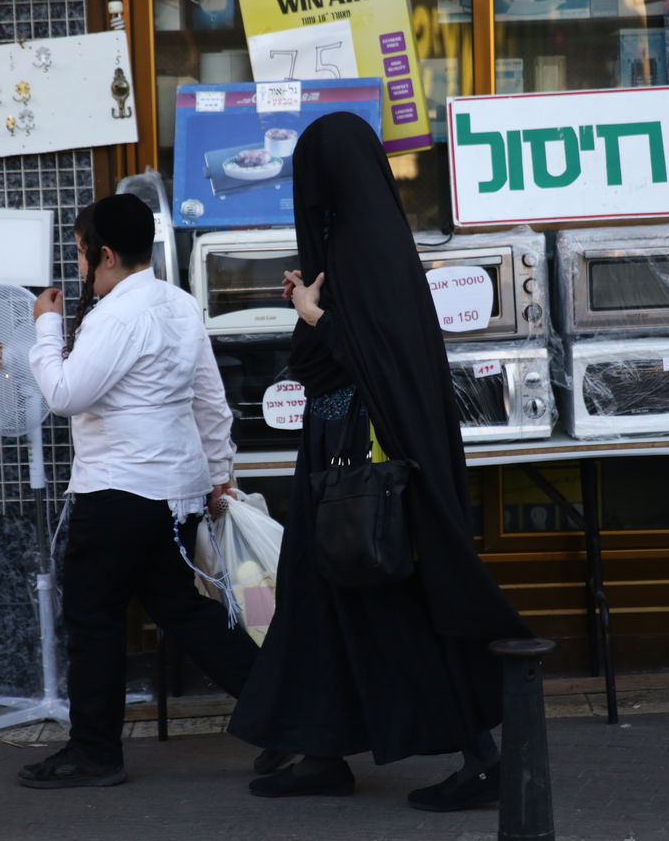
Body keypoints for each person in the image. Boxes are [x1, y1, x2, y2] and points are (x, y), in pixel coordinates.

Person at [228, 112, 534, 811]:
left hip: (365, 474)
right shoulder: (362, 239)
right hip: (338, 469)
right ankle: (321, 749)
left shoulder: (365, 246)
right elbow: (340, 356)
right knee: (320, 603)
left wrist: (311, 312)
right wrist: (312, 307)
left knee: (397, 605)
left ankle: (481, 755)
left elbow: (365, 357)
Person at [20, 193, 260, 789]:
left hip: (117, 492)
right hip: (174, 492)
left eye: (79, 255)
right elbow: (209, 399)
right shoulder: (179, 305)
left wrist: (46, 328)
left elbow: (64, 393)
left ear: (104, 254)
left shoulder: (117, 315)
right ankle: (287, 710)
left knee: (93, 619)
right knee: (182, 609)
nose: (77, 268)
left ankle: (95, 753)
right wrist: (218, 472)